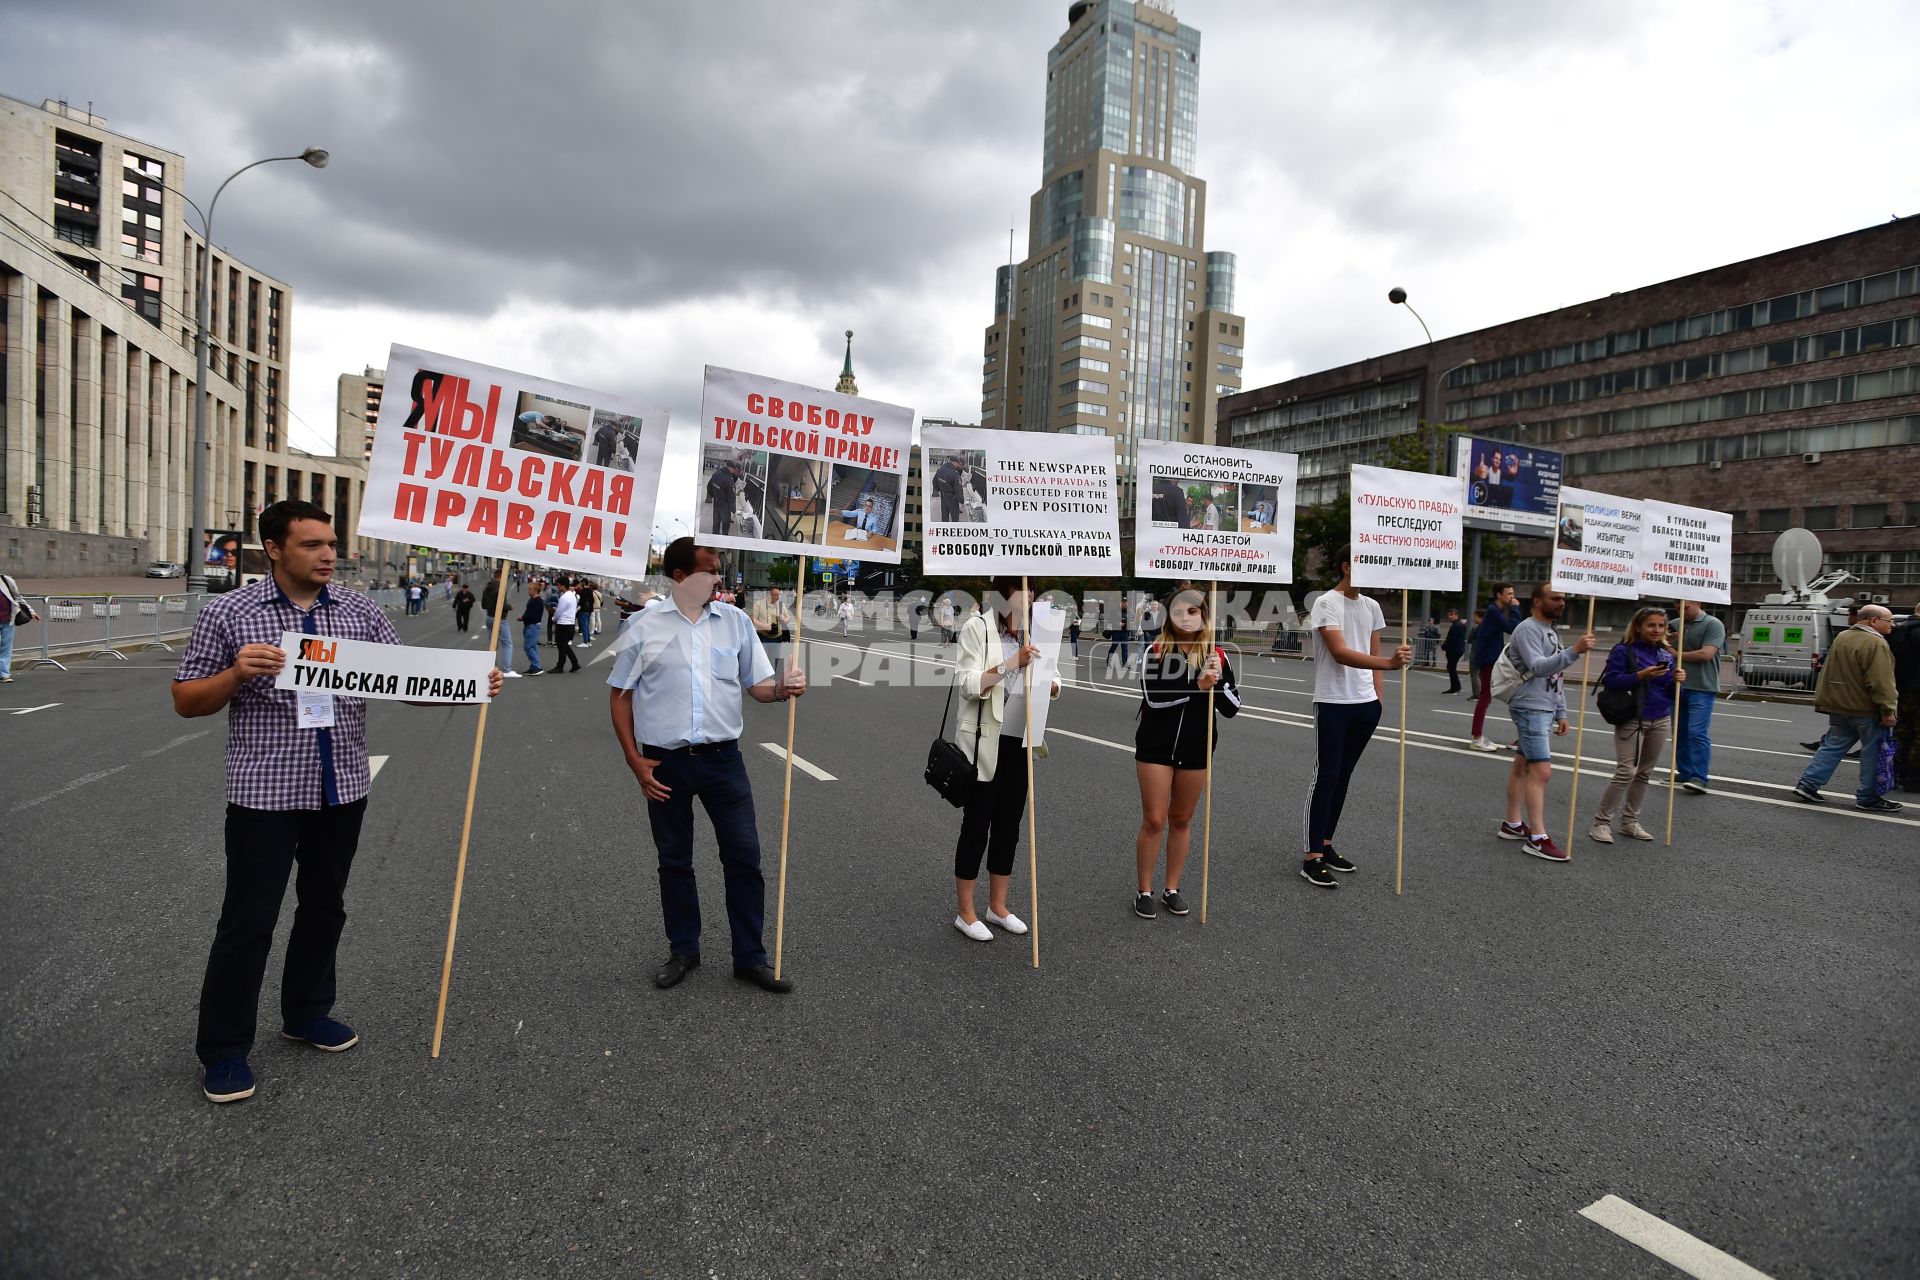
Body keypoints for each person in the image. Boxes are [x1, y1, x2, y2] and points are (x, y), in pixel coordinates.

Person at [172, 499, 503, 1103]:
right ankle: (222, 1049)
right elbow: (187, 700)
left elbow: (407, 683)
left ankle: (306, 1012)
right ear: (274, 549)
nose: (328, 554)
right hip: (264, 794)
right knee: (248, 921)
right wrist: (237, 674)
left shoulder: (357, 610)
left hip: (342, 786)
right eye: (311, 545)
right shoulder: (229, 614)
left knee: (325, 906)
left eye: (331, 544)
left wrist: (470, 684)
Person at [607, 537, 807, 993]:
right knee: (674, 860)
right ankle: (684, 950)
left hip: (724, 762)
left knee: (744, 857)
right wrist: (635, 762)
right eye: (709, 570)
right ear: (679, 577)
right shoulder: (643, 626)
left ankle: (750, 957)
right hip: (665, 763)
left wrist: (784, 689)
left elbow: (758, 687)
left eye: (719, 569)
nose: (719, 577)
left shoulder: (735, 622)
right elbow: (620, 696)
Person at [950, 577, 1060, 941]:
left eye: (1032, 590)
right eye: (1021, 588)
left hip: (1021, 741)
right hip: (985, 740)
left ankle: (997, 907)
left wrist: (1053, 684)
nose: (1029, 595)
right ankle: (965, 912)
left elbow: (1053, 675)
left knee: (1009, 827)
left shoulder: (1037, 631)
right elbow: (967, 683)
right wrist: (1012, 663)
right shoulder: (977, 628)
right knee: (977, 824)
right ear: (1003, 594)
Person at [1300, 546, 1413, 887]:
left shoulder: (1372, 606)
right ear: (1346, 567)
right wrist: (1390, 666)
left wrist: (1377, 698)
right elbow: (1340, 652)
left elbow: (1373, 649)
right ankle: (1312, 856)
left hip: (1365, 705)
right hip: (1334, 701)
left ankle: (1327, 843)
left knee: (1345, 775)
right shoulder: (1325, 602)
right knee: (1327, 775)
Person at [1133, 587, 1239, 917]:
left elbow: (1233, 706)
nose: (1186, 617)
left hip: (1197, 747)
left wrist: (1218, 682)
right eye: (1179, 612)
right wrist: (1198, 686)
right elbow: (1155, 698)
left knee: (1181, 819)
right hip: (1156, 747)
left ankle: (1171, 888)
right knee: (1154, 819)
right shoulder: (1157, 650)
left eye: (1193, 612)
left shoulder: (1217, 655)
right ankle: (1144, 890)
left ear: (1204, 617)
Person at [1499, 585, 1596, 861]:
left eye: (1564, 598)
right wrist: (1575, 650)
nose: (1562, 602)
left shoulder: (1550, 631)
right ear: (1537, 601)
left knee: (1523, 765)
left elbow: (1555, 675)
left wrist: (1561, 710)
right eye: (1556, 598)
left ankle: (1513, 823)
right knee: (1541, 772)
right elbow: (1539, 666)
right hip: (1530, 706)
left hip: (1543, 705)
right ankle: (1538, 838)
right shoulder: (1528, 629)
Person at [1791, 604, 1901, 812]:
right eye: (1889, 620)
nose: (1892, 625)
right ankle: (1868, 797)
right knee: (1873, 752)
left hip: (1839, 705)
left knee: (1832, 746)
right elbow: (1881, 681)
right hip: (1865, 708)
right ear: (1873, 621)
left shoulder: (1843, 637)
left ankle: (1808, 785)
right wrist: (1888, 709)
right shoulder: (1876, 643)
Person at [1589, 606, 1676, 844]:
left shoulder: (1668, 653)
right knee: (1626, 771)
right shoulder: (1623, 650)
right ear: (1638, 627)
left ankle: (1629, 822)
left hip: (1661, 717)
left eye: (1661, 626)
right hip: (1632, 718)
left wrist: (1677, 680)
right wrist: (1641, 675)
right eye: (1651, 625)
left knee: (1644, 773)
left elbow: (1668, 689)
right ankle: (1601, 823)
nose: (1657, 630)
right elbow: (1612, 681)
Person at [1674, 601, 1726, 795]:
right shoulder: (1674, 624)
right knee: (1679, 732)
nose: (1681, 612)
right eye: (1677, 607)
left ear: (1698, 603)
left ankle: (1699, 777)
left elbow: (1706, 654)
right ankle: (1685, 772)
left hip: (1702, 687)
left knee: (1696, 732)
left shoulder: (1713, 624)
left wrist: (1674, 652)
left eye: (1686, 607)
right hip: (1677, 686)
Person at [1470, 583, 1522, 750]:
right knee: (1486, 696)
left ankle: (1524, 737)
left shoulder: (1495, 611)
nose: (1513, 597)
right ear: (1499, 595)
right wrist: (1515, 609)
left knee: (1512, 694)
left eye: (1513, 594)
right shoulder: (1493, 611)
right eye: (1509, 594)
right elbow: (1512, 628)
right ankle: (1477, 737)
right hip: (1489, 661)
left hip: (1492, 660)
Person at [1891, 610, 1920, 792]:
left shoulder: (1898, 631)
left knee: (1900, 733)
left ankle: (1892, 772)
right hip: (1918, 690)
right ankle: (1914, 778)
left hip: (1900, 690)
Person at [0, 569, 34, 683]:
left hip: (8, 619)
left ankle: (4, 674)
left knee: (6, 647)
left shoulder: (6, 580)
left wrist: (32, 612)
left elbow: (18, 598)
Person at [482, 568, 518, 677]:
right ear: (502, 576)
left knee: (493, 644)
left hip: (489, 617)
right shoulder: (501, 588)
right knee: (507, 644)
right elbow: (503, 605)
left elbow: (483, 605)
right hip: (499, 619)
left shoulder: (487, 587)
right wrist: (509, 607)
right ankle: (507, 670)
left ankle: (492, 667)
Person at [552, 579, 582, 673]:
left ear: (563, 585)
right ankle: (574, 663)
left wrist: (554, 619)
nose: (557, 587)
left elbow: (559, 611)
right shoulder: (572, 596)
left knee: (561, 646)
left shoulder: (564, 597)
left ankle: (560, 666)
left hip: (563, 623)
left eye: (558, 585)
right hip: (571, 623)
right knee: (564, 645)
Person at [519, 580, 546, 676]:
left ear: (535, 590)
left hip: (533, 626)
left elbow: (534, 615)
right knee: (533, 647)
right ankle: (534, 666)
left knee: (528, 647)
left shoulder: (538, 601)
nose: (528, 591)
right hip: (529, 626)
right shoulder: (532, 599)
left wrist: (523, 617)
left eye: (530, 589)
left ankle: (537, 666)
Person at [706, 460, 740, 536]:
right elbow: (731, 497)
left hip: (716, 503)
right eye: (733, 469)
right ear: (730, 468)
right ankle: (723, 539)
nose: (734, 471)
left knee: (716, 523)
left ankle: (714, 539)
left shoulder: (716, 474)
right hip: (725, 506)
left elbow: (709, 486)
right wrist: (733, 510)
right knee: (725, 525)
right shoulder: (729, 480)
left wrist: (712, 496)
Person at [1441, 608, 1467, 694]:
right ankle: (1455, 686)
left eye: (1451, 614)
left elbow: (1452, 639)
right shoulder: (1459, 624)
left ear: (1457, 615)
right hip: (1457, 649)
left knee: (1451, 668)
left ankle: (1455, 687)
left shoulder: (1456, 625)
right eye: (1449, 615)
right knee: (1451, 668)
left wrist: (1444, 646)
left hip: (1454, 650)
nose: (1449, 616)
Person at [575, 579, 597, 645]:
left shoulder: (583, 591)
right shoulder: (591, 591)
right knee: (586, 625)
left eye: (581, 582)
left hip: (584, 610)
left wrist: (577, 607)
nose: (580, 584)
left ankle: (585, 642)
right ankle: (588, 641)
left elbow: (581, 601)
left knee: (584, 625)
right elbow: (592, 600)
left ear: (584, 583)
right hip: (589, 610)